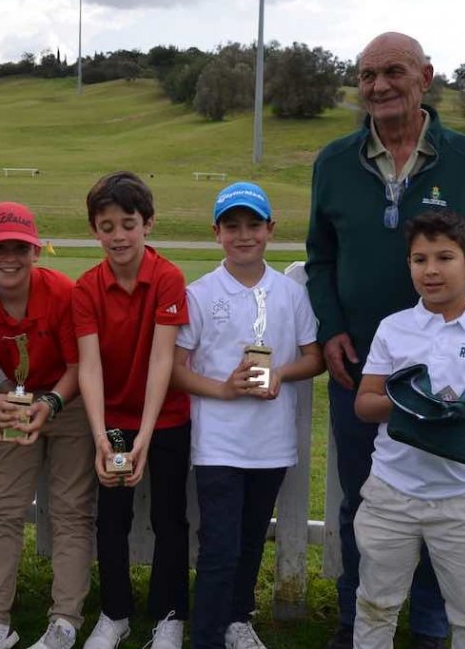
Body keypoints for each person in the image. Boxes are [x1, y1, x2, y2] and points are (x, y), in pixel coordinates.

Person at [305, 31, 465, 649]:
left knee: (440, 502)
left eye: (392, 71)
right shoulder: (334, 162)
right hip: (362, 372)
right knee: (365, 501)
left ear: (425, 75)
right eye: (366, 75)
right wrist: (332, 329)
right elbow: (319, 258)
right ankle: (360, 623)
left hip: (449, 383)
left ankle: (427, 629)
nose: (379, 86)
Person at [352, 209, 465, 649]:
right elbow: (365, 403)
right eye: (419, 259)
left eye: (444, 257)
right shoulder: (394, 328)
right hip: (392, 493)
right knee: (375, 605)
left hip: (464, 498)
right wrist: (415, 411)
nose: (431, 270)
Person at [172, 182, 323, 649]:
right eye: (232, 226)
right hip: (218, 442)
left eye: (253, 225)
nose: (244, 235)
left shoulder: (289, 293)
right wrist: (223, 387)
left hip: (271, 443)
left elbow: (313, 357)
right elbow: (177, 370)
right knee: (219, 546)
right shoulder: (199, 294)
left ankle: (238, 618)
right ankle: (208, 636)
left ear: (270, 230)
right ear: (216, 232)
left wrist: (279, 374)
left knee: (253, 538)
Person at [0, 201, 96, 649]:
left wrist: (55, 403)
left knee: (70, 510)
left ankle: (65, 619)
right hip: (15, 399)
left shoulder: (61, 292)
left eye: (20, 247)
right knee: (3, 507)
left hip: (69, 399)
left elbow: (82, 367)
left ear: (36, 252)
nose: (10, 257)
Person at [72, 171, 191, 649]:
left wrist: (144, 435)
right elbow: (90, 367)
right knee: (111, 518)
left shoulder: (168, 278)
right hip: (114, 419)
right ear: (94, 229)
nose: (118, 236)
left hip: (165, 418)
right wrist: (102, 435)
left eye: (128, 224)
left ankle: (170, 616)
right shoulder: (86, 287)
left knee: (169, 517)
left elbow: (164, 358)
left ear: (148, 224)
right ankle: (114, 614)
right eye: (107, 226)